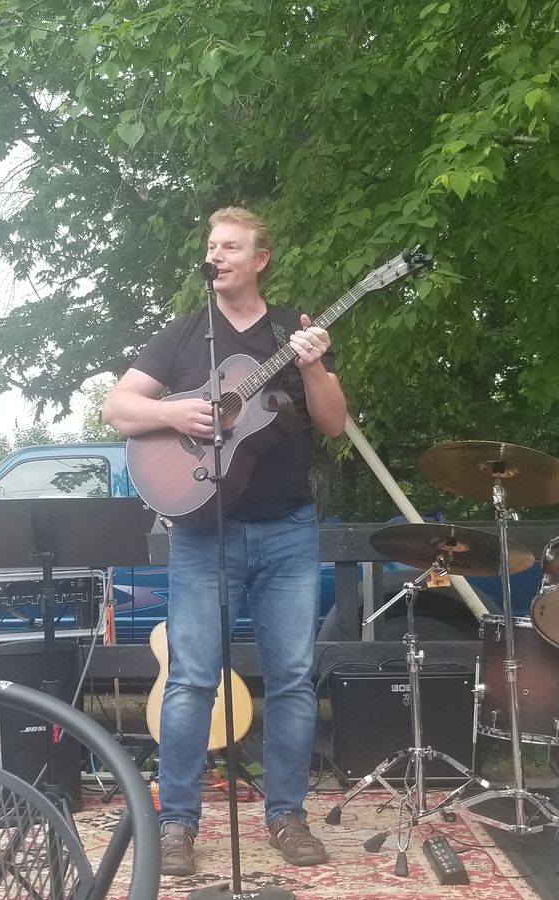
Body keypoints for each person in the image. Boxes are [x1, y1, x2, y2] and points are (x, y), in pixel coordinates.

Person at [102, 207, 347, 877]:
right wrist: (172, 411)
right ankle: (177, 823)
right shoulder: (185, 334)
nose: (218, 255)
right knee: (189, 679)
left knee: (292, 678)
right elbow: (117, 407)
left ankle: (286, 814)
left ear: (260, 259)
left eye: (231, 246)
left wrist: (316, 368)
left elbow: (332, 423)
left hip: (288, 529)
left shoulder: (293, 330)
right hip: (201, 531)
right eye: (212, 246)